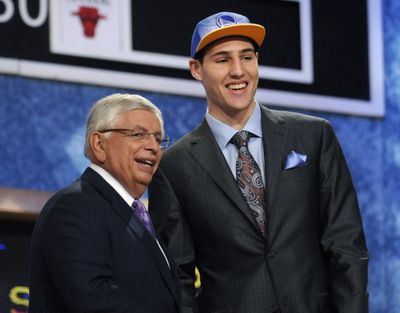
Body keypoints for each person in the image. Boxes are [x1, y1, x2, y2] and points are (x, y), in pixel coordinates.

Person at [148, 12, 369, 313]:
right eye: (222, 60)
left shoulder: (313, 136)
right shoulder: (174, 166)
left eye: (247, 57)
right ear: (196, 69)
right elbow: (179, 276)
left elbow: (345, 244)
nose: (238, 71)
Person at [29, 93, 181, 313]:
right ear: (99, 144)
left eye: (158, 139)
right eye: (139, 134)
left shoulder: (132, 213)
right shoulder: (75, 207)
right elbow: (94, 301)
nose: (153, 147)